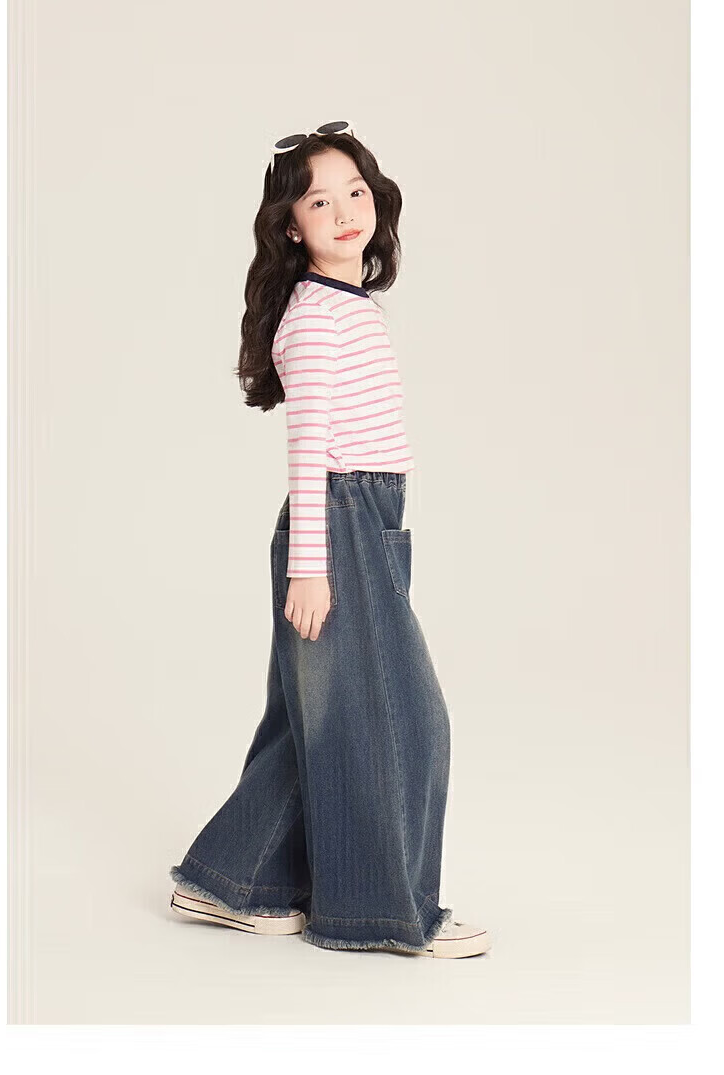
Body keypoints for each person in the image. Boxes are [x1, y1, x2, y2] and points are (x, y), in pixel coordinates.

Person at [168, 121, 491, 958]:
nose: (345, 212)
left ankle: (231, 880)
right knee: (406, 722)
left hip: (367, 519)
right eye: (319, 201)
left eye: (355, 192)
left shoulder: (347, 307)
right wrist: (311, 569)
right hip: (338, 523)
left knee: (318, 721)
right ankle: (387, 913)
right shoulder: (316, 319)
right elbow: (308, 449)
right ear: (290, 225)